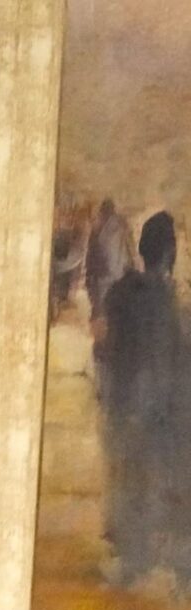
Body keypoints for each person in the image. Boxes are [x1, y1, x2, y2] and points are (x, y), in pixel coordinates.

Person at [96, 211, 179, 586]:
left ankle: (132, 558)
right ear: (169, 255)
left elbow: (104, 347)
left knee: (128, 479)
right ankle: (144, 558)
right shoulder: (168, 303)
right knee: (153, 479)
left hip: (123, 399)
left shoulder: (120, 293)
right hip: (157, 405)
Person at [87, 197, 135, 320]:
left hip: (104, 278)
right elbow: (131, 251)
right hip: (119, 277)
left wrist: (90, 278)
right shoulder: (123, 225)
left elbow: (91, 257)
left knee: (104, 313)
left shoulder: (98, 228)